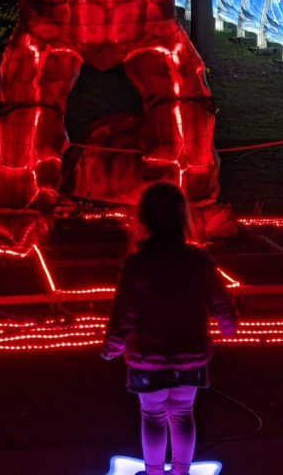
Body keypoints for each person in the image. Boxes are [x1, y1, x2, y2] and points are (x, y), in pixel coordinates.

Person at [101, 182, 238, 475]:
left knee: (152, 417)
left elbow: (124, 311)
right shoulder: (198, 261)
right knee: (183, 414)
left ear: (144, 220)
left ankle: (153, 472)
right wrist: (227, 323)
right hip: (190, 355)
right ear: (183, 219)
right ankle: (180, 471)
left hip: (148, 357)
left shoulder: (137, 264)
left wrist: (113, 345)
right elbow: (219, 297)